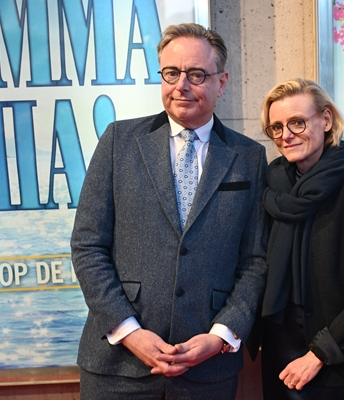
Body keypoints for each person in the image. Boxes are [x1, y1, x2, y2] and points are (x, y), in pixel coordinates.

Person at [70, 23, 268, 400]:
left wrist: (221, 335)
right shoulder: (118, 142)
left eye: (196, 74)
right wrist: (129, 331)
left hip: (207, 371)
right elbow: (87, 245)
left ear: (222, 82)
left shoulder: (249, 158)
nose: (181, 85)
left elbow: (256, 260)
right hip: (117, 367)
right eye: (171, 73)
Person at [258, 78, 344, 400]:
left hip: (336, 358)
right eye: (276, 127)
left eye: (297, 122)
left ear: (326, 120)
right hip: (277, 350)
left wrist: (319, 353)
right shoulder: (268, 188)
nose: (286, 135)